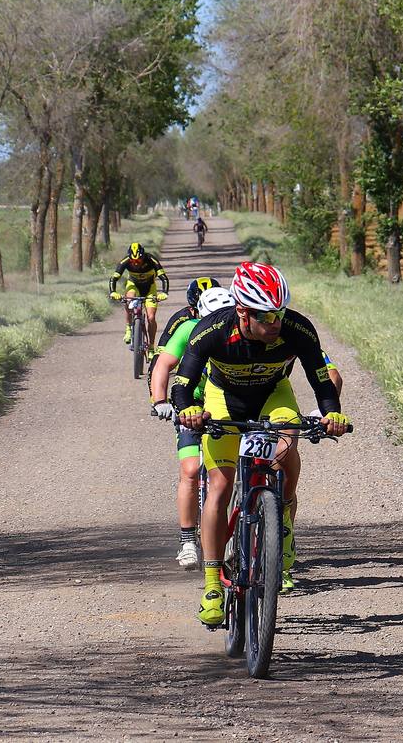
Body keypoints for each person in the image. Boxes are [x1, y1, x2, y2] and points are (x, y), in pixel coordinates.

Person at [172, 262, 350, 626]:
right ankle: (212, 584)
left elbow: (320, 377)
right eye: (266, 316)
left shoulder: (297, 328)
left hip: (273, 395)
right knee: (219, 486)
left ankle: (280, 518)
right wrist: (187, 409)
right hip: (225, 399)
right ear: (242, 311)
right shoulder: (213, 330)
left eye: (280, 314)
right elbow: (183, 382)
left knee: (286, 448)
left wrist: (331, 413)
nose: (275, 324)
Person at [149, 285, 236, 570]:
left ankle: (239, 533)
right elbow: (164, 365)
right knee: (190, 470)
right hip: (192, 405)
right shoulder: (187, 329)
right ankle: (187, 540)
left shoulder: (238, 332)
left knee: (231, 473)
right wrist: (160, 400)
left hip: (226, 405)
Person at [108, 242, 169, 351]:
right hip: (134, 285)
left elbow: (163, 278)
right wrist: (113, 292)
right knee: (129, 299)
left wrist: (164, 293)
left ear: (143, 257)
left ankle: (151, 347)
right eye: (133, 261)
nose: (136, 263)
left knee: (151, 317)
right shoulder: (126, 261)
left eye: (138, 261)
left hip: (149, 288)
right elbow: (114, 278)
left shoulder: (151, 259)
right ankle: (128, 328)